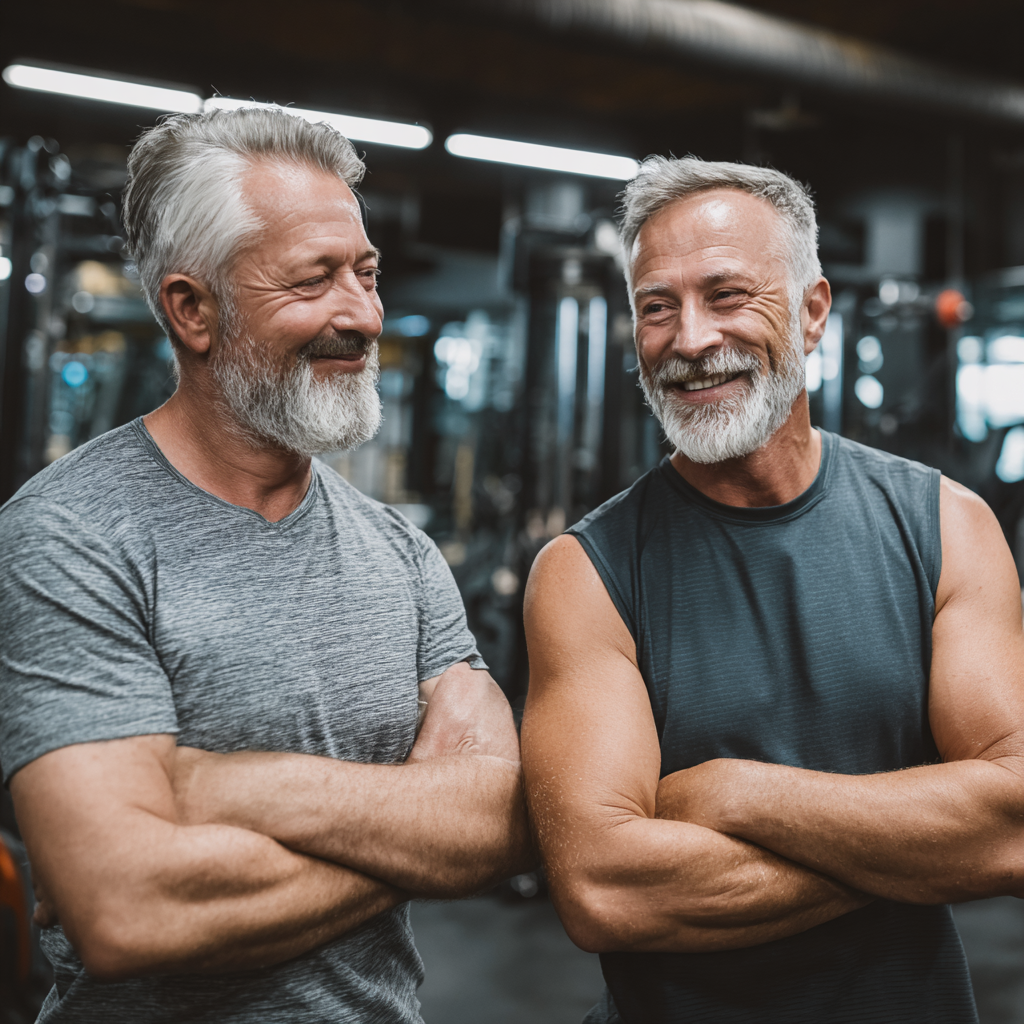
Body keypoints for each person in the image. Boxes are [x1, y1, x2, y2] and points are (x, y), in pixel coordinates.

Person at [0, 107, 534, 1023]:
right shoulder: (67, 537)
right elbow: (128, 907)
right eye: (312, 280)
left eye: (365, 273)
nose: (362, 315)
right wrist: (413, 830)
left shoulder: (400, 553)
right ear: (192, 309)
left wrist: (213, 783)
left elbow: (502, 826)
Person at [522, 156, 1024, 1024]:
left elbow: (1013, 827)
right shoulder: (584, 573)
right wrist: (918, 846)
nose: (689, 339)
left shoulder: (947, 526)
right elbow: (608, 892)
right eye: (656, 306)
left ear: (812, 312)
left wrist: (733, 792)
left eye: (726, 296)